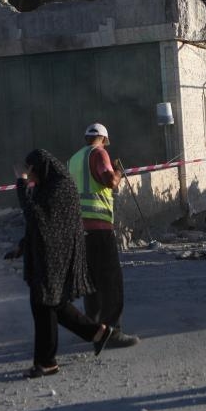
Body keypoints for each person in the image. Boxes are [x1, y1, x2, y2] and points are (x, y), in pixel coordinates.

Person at [6, 149, 114, 378]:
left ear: (40, 169)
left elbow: (34, 215)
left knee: (43, 304)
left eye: (30, 172)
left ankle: (47, 362)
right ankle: (97, 332)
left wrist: (21, 183)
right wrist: (22, 246)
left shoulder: (61, 187)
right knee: (54, 304)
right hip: (45, 253)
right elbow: (39, 223)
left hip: (57, 255)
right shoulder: (47, 186)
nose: (30, 177)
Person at [68, 123, 140, 348]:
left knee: (91, 282)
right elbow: (110, 181)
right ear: (103, 139)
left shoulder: (73, 159)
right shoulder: (99, 153)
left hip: (79, 229)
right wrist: (119, 171)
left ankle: (94, 328)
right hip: (99, 227)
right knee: (110, 282)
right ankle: (112, 331)